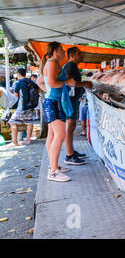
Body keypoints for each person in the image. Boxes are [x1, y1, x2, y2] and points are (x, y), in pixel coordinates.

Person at [39, 42, 76, 182]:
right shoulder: (52, 63)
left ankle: (53, 166)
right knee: (60, 134)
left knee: (53, 135)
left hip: (53, 101)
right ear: (55, 51)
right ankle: (53, 172)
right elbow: (53, 83)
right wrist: (68, 83)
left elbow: (40, 82)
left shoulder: (50, 63)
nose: (64, 51)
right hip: (53, 103)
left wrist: (49, 91)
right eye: (61, 49)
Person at [63, 46, 93, 163]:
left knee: (71, 126)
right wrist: (85, 83)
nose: (82, 55)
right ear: (72, 55)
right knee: (70, 126)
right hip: (70, 100)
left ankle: (71, 151)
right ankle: (69, 155)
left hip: (73, 99)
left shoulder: (72, 66)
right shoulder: (70, 66)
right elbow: (71, 82)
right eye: (79, 53)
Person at [8, 68, 35, 145]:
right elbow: (38, 90)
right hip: (31, 106)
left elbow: (16, 95)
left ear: (19, 74)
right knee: (29, 122)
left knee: (12, 122)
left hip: (22, 107)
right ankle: (28, 140)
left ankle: (14, 142)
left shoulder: (18, 82)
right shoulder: (30, 81)